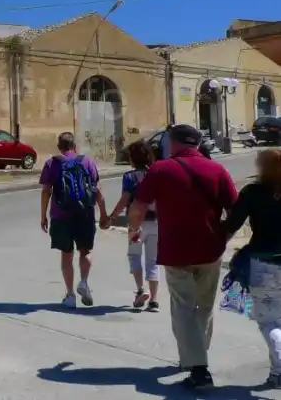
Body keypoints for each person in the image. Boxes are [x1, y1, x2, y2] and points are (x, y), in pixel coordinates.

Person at [129, 124, 238, 390]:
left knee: (183, 308)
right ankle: (195, 356)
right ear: (197, 144)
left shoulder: (161, 169)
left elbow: (138, 206)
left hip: (177, 251)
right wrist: (225, 237)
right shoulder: (217, 169)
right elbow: (236, 209)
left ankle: (198, 368)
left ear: (173, 143)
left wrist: (135, 230)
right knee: (205, 307)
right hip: (211, 251)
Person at [223, 149, 281, 389]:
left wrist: (218, 245)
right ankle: (275, 374)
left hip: (264, 262)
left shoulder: (252, 192)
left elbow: (232, 224)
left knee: (268, 321)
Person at [40, 132, 109, 308]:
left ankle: (70, 295)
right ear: (75, 146)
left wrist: (43, 216)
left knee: (66, 254)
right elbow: (97, 189)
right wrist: (103, 213)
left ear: (59, 146)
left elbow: (46, 191)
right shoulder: (87, 162)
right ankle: (84, 282)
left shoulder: (52, 163)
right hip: (85, 214)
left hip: (61, 215)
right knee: (85, 250)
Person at [105, 139, 159, 311]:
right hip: (156, 223)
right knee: (153, 260)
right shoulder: (156, 174)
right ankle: (154, 301)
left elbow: (124, 200)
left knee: (135, 255)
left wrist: (112, 217)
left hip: (136, 225)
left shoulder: (129, 177)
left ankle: (140, 290)